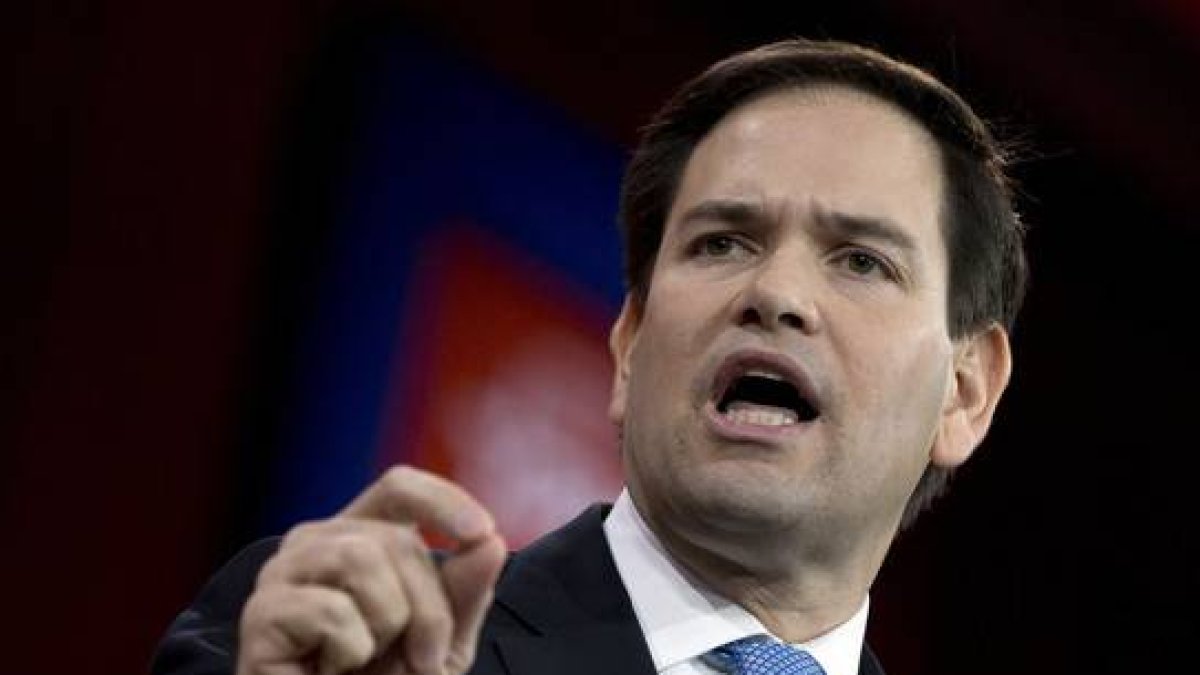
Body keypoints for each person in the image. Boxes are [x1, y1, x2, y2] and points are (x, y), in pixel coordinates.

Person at [152, 37, 1027, 675]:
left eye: (862, 260)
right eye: (723, 241)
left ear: (964, 392)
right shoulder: (339, 645)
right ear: (630, 342)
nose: (777, 292)